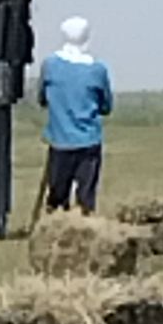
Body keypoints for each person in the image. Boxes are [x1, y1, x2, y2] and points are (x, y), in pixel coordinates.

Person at [38, 16, 114, 214]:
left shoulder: (50, 65)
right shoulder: (97, 70)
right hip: (89, 141)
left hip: (60, 140)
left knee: (57, 195)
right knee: (86, 197)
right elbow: (106, 106)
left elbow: (42, 99)